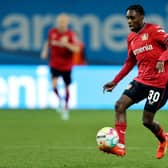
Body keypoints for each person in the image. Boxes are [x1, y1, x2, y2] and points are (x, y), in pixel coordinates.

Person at [103, 4, 168, 159]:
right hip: (141, 80)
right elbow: (130, 62)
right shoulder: (131, 38)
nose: (129, 21)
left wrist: (162, 58)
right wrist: (115, 81)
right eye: (127, 18)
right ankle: (120, 146)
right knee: (119, 105)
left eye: (132, 18)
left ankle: (163, 139)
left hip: (159, 83)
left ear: (141, 17)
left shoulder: (154, 30)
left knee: (146, 121)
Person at [41, 13, 80, 120]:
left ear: (67, 23)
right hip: (54, 63)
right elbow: (48, 42)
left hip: (67, 65)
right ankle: (60, 101)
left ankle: (66, 107)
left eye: (63, 22)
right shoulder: (52, 32)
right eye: (60, 22)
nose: (61, 24)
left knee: (67, 87)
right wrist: (45, 51)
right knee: (54, 85)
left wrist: (66, 44)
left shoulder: (70, 35)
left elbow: (77, 49)